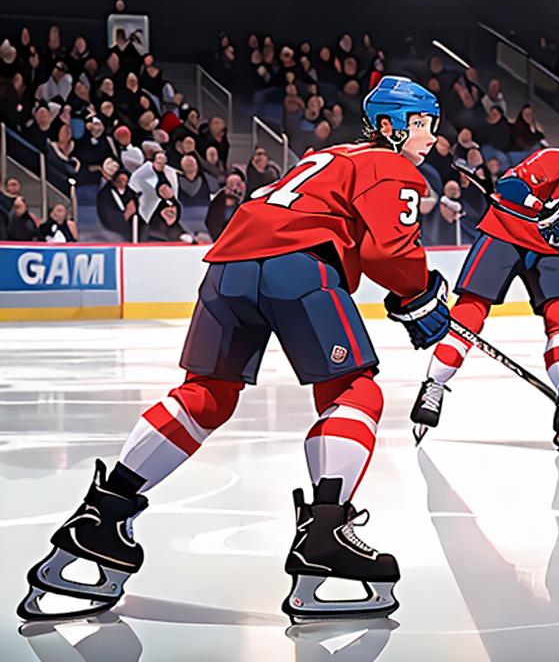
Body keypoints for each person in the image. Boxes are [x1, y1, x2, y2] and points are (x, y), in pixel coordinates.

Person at [20, 76, 451, 623]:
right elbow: (388, 249)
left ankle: (101, 520)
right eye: (422, 123)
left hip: (227, 266)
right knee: (352, 390)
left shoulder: (324, 156)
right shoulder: (392, 165)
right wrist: (420, 295)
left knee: (205, 395)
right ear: (391, 126)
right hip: (298, 266)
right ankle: (325, 537)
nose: (431, 136)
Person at [413, 112, 559, 451]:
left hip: (550, 250)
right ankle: (434, 385)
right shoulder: (552, 159)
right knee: (471, 310)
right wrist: (540, 207)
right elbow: (511, 186)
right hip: (505, 233)